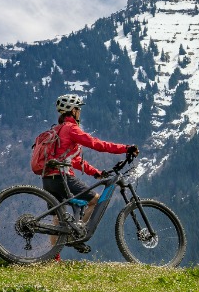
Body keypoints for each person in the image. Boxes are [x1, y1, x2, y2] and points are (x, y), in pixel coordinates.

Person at [42, 93, 139, 253]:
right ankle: (77, 236)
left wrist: (96, 173)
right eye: (78, 109)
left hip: (48, 178)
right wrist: (125, 148)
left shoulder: (57, 130)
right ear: (73, 111)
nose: (79, 112)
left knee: (58, 218)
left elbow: (76, 161)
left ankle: (53, 258)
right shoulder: (71, 128)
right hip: (62, 177)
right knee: (95, 200)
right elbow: (96, 144)